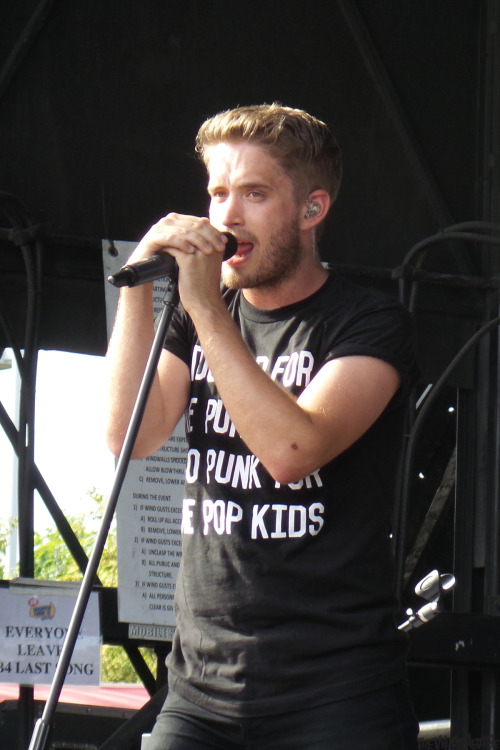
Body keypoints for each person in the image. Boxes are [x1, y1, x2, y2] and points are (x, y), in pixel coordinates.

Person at [105, 103, 420, 749]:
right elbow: (129, 438)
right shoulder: (200, 318)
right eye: (218, 192)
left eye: (254, 193)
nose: (226, 215)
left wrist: (203, 307)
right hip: (199, 692)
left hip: (334, 693)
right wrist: (140, 292)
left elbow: (292, 449)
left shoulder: (369, 323)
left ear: (312, 209)